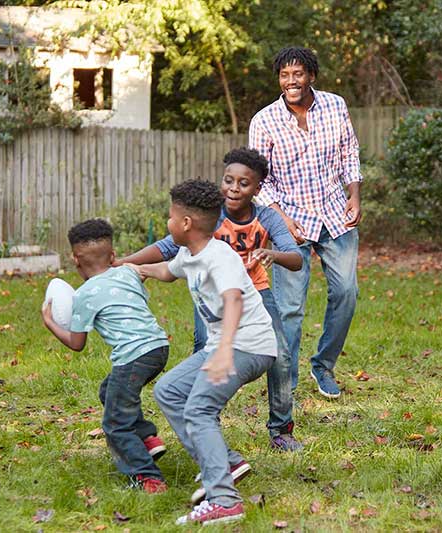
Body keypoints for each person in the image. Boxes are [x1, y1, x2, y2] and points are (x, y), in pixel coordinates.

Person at [117, 147, 304, 452]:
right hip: (213, 295)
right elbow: (166, 250)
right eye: (228, 180)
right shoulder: (210, 217)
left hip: (256, 291)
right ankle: (207, 423)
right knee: (204, 350)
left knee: (280, 357)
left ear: (257, 188)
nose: (233, 188)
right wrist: (124, 261)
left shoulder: (267, 217)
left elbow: (296, 258)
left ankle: (281, 428)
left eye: (243, 183)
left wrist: (274, 253)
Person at [127, 179, 277, 526]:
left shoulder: (219, 256)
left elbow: (233, 298)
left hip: (248, 346)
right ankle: (223, 462)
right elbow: (167, 270)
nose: (168, 222)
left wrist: (224, 350)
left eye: (170, 216)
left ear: (185, 223)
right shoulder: (190, 254)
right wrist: (133, 269)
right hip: (223, 346)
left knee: (198, 408)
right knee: (169, 391)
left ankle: (224, 500)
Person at [248, 46, 362, 399]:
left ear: (311, 75)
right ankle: (285, 380)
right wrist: (282, 220)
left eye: (298, 73)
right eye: (285, 75)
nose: (291, 81)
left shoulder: (335, 105)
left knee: (346, 293)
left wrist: (354, 194)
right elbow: (258, 179)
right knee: (290, 307)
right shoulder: (264, 120)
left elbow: (349, 152)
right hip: (289, 220)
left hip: (334, 215)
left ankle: (323, 365)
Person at [41, 218, 170, 494]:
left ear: (76, 260)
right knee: (109, 389)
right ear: (113, 256)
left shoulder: (84, 295)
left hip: (133, 357)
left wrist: (51, 323)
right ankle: (147, 438)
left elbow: (77, 344)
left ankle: (149, 478)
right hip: (159, 348)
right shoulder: (128, 273)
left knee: (115, 424)